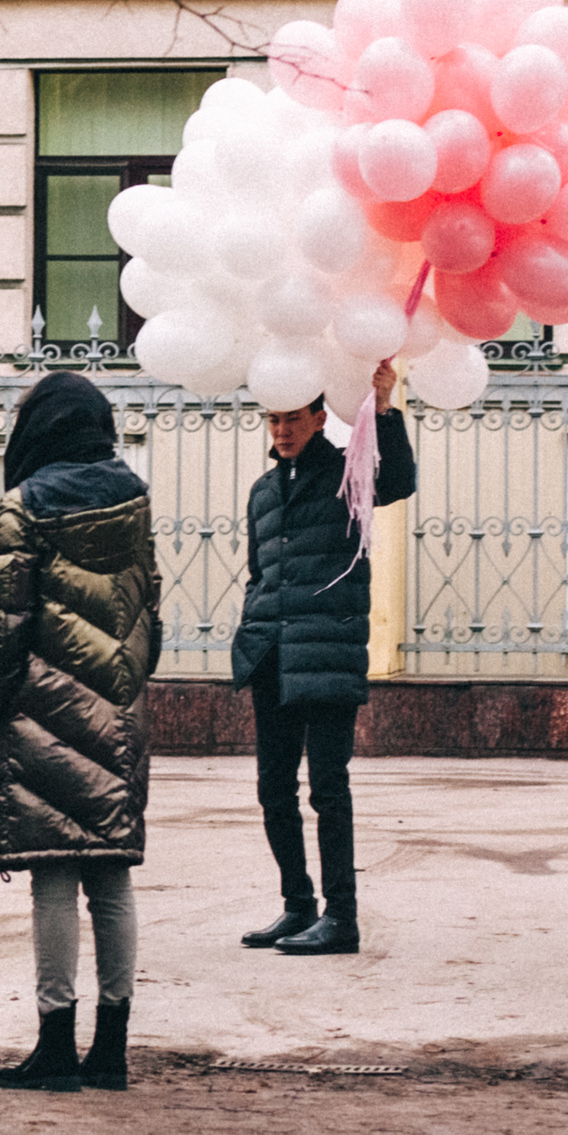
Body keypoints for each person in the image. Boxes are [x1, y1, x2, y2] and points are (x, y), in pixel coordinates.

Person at [0, 372, 161, 1093]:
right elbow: (152, 604)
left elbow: (4, 623)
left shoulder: (23, 506)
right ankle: (111, 1048)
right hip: (118, 708)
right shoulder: (134, 498)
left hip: (42, 711)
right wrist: (126, 681)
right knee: (110, 876)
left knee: (53, 872)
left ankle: (55, 1045)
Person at [232, 359, 415, 958]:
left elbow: (398, 483)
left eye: (292, 418)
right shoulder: (263, 491)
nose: (281, 430)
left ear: (318, 419)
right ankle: (297, 907)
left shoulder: (346, 472)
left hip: (327, 653)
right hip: (271, 655)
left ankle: (342, 918)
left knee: (328, 789)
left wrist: (384, 412)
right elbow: (262, 573)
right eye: (273, 418)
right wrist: (253, 627)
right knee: (273, 789)